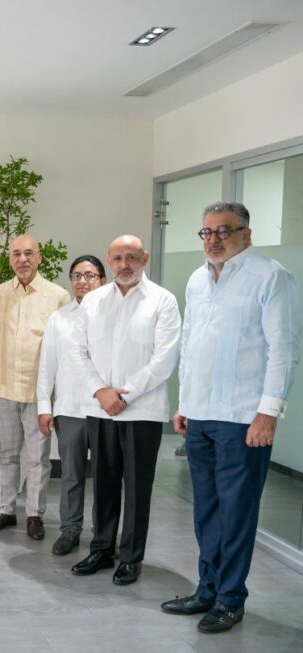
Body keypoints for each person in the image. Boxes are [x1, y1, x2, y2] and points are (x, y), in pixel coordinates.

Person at [163, 202, 301, 633]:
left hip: (243, 418)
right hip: (201, 414)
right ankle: (206, 589)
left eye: (224, 230)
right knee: (206, 509)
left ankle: (230, 598)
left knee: (237, 511)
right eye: (206, 232)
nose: (214, 239)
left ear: (247, 233)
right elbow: (190, 345)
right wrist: (185, 401)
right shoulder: (197, 281)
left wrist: (268, 413)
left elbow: (284, 350)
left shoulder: (270, 276)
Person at [70, 235, 180, 586]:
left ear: (144, 258)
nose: (124, 264)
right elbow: (77, 351)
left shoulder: (163, 301)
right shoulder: (94, 301)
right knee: (102, 483)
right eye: (117, 258)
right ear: (109, 260)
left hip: (142, 412)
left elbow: (165, 359)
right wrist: (102, 392)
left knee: (136, 488)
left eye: (132, 257)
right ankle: (101, 549)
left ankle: (131, 557)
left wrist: (125, 396)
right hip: (100, 409)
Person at [0, 235, 69, 540]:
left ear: (39, 257)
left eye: (29, 253)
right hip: (2, 388)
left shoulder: (58, 296)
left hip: (39, 394)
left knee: (38, 458)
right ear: (10, 259)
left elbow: (64, 349)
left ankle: (34, 514)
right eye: (16, 254)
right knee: (6, 455)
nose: (23, 259)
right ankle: (5, 509)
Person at [36, 255, 106, 556]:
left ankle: (103, 536)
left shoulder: (112, 315)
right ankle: (70, 530)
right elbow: (47, 365)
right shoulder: (59, 318)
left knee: (105, 477)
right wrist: (44, 405)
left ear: (102, 280)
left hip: (106, 411)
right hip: (69, 408)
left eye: (90, 276)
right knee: (71, 474)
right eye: (77, 276)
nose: (82, 281)